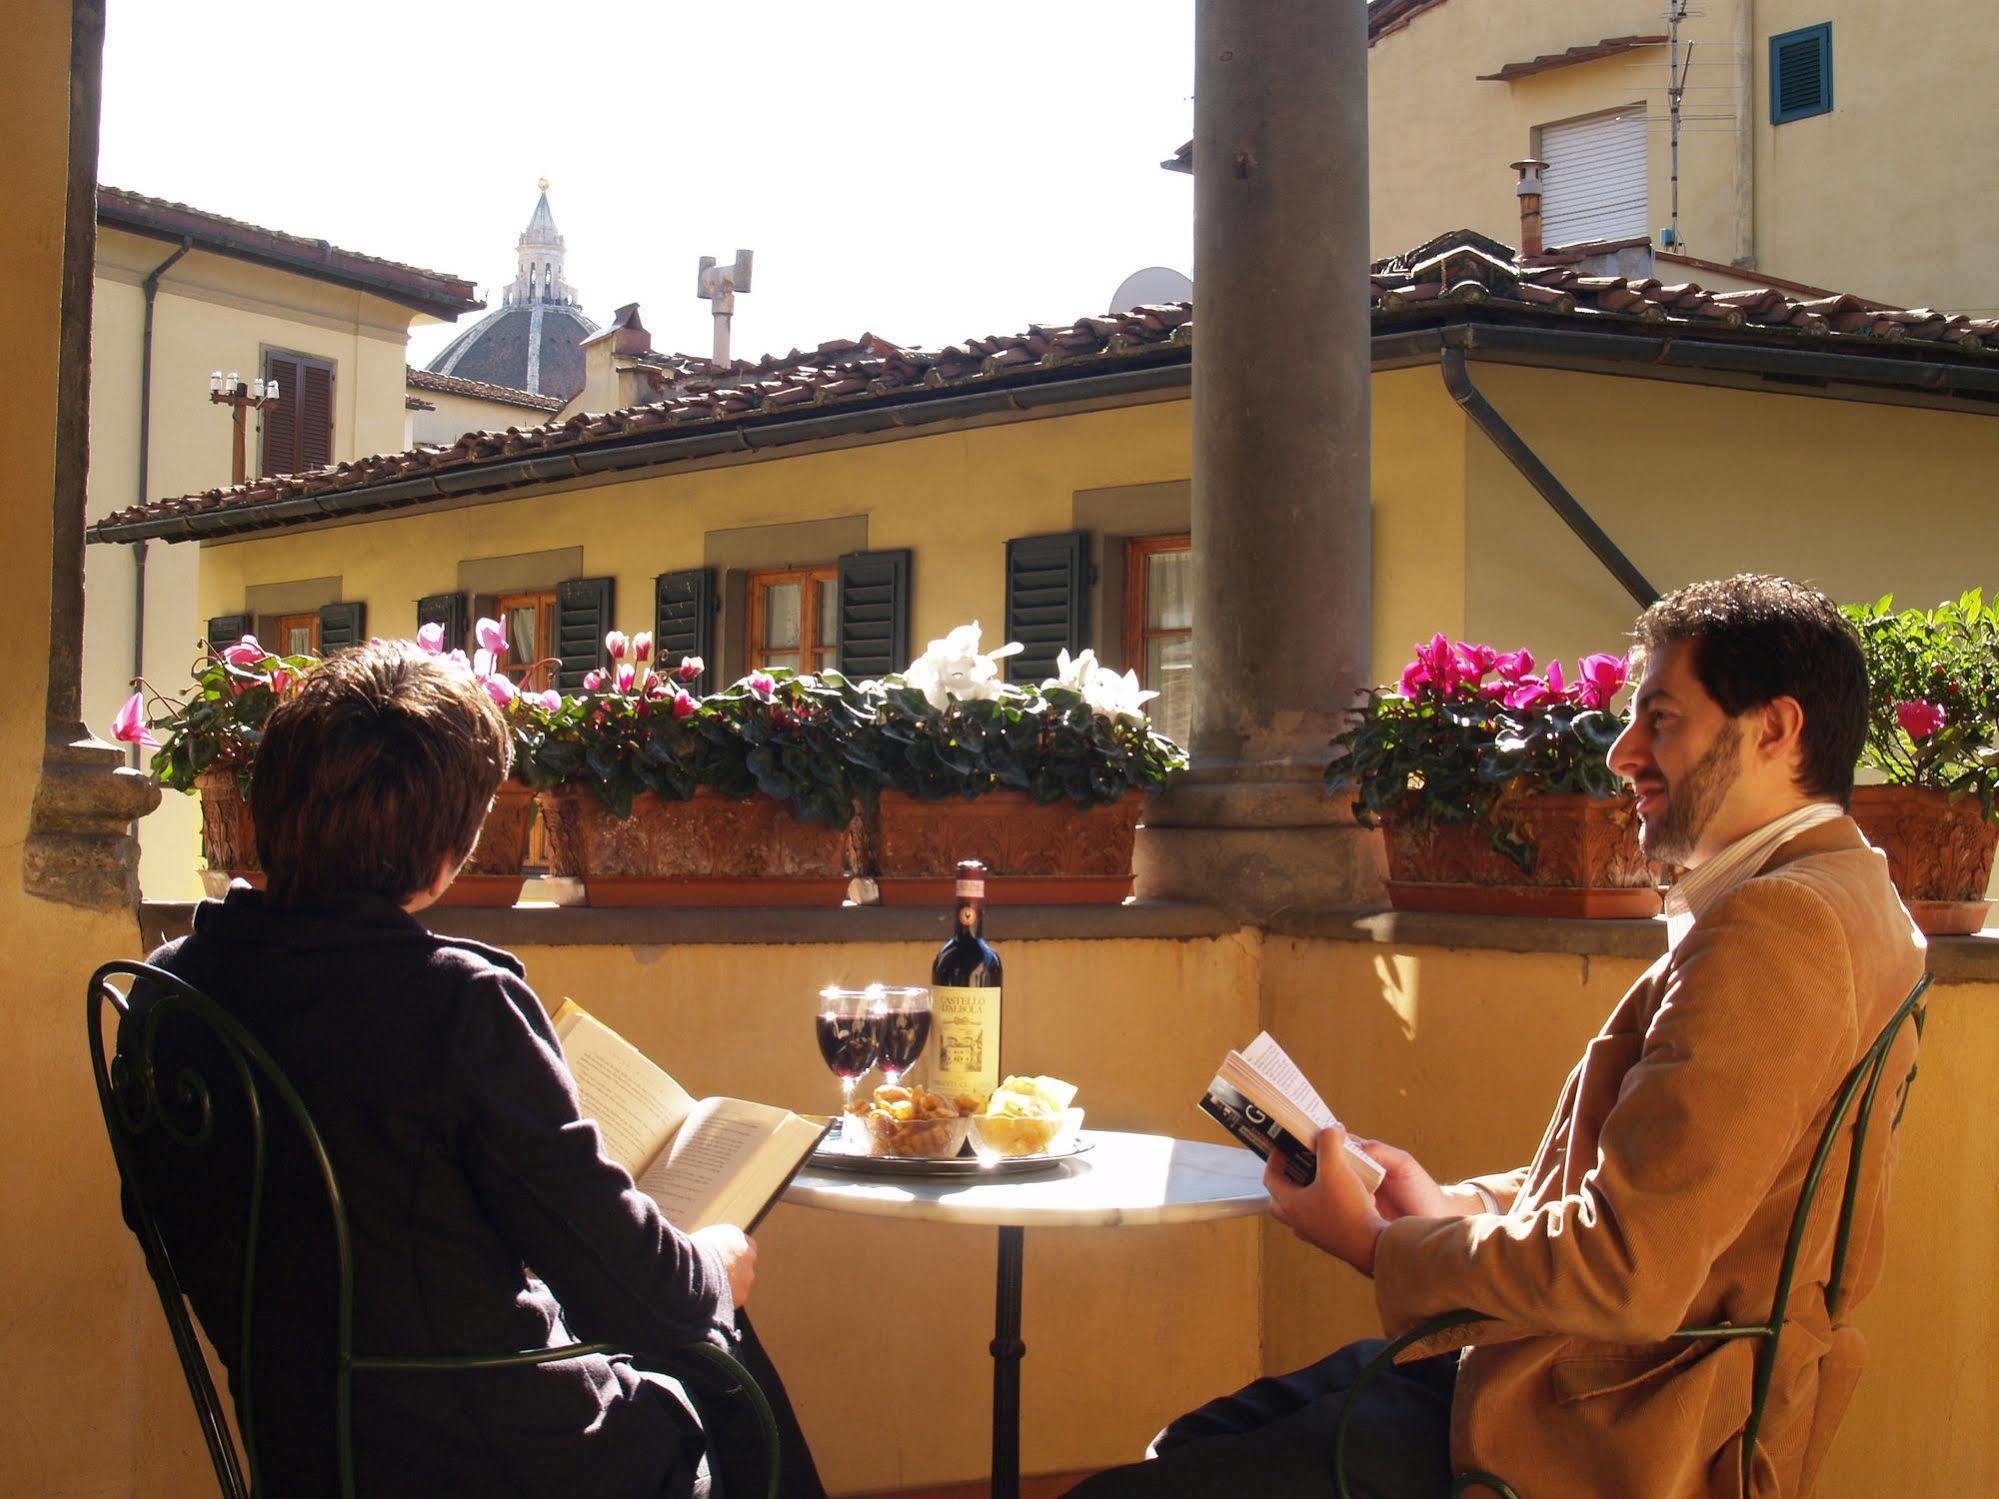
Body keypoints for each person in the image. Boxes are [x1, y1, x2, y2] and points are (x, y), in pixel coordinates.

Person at [1071, 575, 1926, 1499]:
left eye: (1662, 720)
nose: (1622, 754)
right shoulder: (1848, 896)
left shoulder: (1773, 929)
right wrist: (1445, 1204)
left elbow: (1629, 1271)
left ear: (1774, 729)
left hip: (1595, 1414)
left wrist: (1377, 1246)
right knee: (1200, 1440)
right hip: (1586, 1370)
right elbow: (1662, 1188)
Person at [120, 640, 827, 1499]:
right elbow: (639, 1297)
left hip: (310, 1454)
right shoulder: (455, 1005)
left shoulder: (170, 993)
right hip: (502, 1463)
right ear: (448, 848)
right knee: (716, 1346)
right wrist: (715, 1262)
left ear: (271, 803)